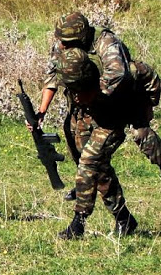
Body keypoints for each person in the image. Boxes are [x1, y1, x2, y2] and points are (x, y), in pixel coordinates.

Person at [36, 11, 161, 205]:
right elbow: (53, 75)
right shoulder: (62, 44)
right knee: (76, 137)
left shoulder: (106, 42)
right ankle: (85, 181)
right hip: (94, 101)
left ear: (83, 36)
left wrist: (92, 94)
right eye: (62, 41)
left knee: (142, 134)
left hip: (123, 95)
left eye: (69, 41)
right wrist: (42, 110)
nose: (64, 46)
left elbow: (118, 74)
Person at [54, 47, 138, 239]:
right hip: (90, 117)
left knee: (89, 162)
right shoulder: (71, 74)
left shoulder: (109, 82)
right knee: (99, 170)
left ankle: (78, 224)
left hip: (112, 120)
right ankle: (124, 218)